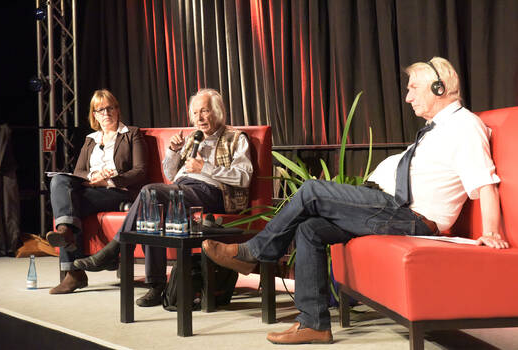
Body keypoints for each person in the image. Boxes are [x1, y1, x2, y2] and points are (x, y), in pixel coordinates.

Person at [201, 57, 510, 345]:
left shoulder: (464, 126)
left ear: (438, 87)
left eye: (413, 88)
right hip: (390, 208)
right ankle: (315, 324)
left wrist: (493, 231)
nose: (408, 97)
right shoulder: (436, 130)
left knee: (311, 190)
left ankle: (253, 252)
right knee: (310, 229)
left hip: (409, 217)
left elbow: (485, 181)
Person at [73, 88, 253, 307]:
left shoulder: (235, 138)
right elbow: (170, 175)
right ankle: (157, 286)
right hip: (182, 190)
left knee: (150, 192)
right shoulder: (192, 139)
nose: (199, 118)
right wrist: (173, 152)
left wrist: (204, 167)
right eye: (195, 113)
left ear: (218, 112)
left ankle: (114, 250)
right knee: (152, 209)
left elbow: (243, 177)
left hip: (211, 193)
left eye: (204, 112)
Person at [46, 89, 148, 294]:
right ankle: (67, 234)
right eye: (100, 110)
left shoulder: (131, 134)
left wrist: (109, 179)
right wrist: (93, 177)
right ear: (94, 115)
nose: (106, 113)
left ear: (117, 110)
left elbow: (140, 171)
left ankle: (74, 272)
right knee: (58, 180)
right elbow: (79, 171)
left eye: (110, 108)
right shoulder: (90, 139)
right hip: (93, 190)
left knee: (70, 205)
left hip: (118, 191)